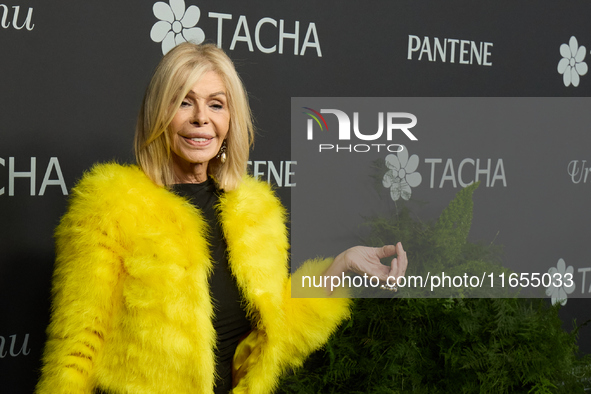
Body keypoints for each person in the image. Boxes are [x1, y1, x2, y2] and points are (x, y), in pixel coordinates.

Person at [35, 42, 408, 394]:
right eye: (184, 102)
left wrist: (340, 267)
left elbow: (275, 337)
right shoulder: (109, 205)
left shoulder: (256, 210)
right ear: (158, 113)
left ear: (231, 119)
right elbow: (75, 352)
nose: (201, 119)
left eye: (216, 104)